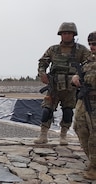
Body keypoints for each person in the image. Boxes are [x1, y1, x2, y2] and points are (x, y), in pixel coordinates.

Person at [35, 22, 91, 145]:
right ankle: (43, 134)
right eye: (64, 33)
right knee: (47, 110)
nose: (66, 36)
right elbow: (43, 62)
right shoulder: (53, 49)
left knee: (68, 111)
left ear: (73, 35)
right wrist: (42, 73)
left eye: (69, 33)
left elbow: (90, 62)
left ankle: (63, 135)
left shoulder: (80, 50)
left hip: (70, 88)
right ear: (60, 35)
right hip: (54, 85)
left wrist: (81, 76)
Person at [71, 31, 96, 180]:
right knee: (80, 128)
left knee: (94, 134)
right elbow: (79, 76)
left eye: (95, 44)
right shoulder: (87, 62)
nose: (92, 47)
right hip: (83, 100)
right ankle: (92, 160)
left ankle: (94, 167)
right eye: (91, 44)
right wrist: (75, 79)